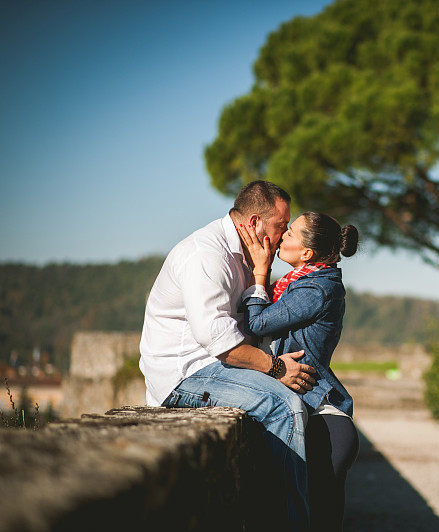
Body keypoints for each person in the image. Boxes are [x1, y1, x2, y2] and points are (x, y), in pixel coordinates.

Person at [139, 180, 317, 530]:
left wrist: (259, 275)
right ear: (253, 223)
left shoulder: (248, 256)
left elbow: (254, 328)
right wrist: (277, 367)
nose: (284, 235)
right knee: (284, 405)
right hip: (186, 374)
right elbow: (219, 340)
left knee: (298, 402)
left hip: (215, 368)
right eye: (281, 226)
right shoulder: (206, 254)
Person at [236, 211, 360, 532]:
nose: (282, 235)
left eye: (290, 233)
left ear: (306, 254)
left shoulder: (316, 289)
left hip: (323, 424)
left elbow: (258, 322)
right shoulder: (301, 284)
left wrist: (260, 273)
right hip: (316, 421)